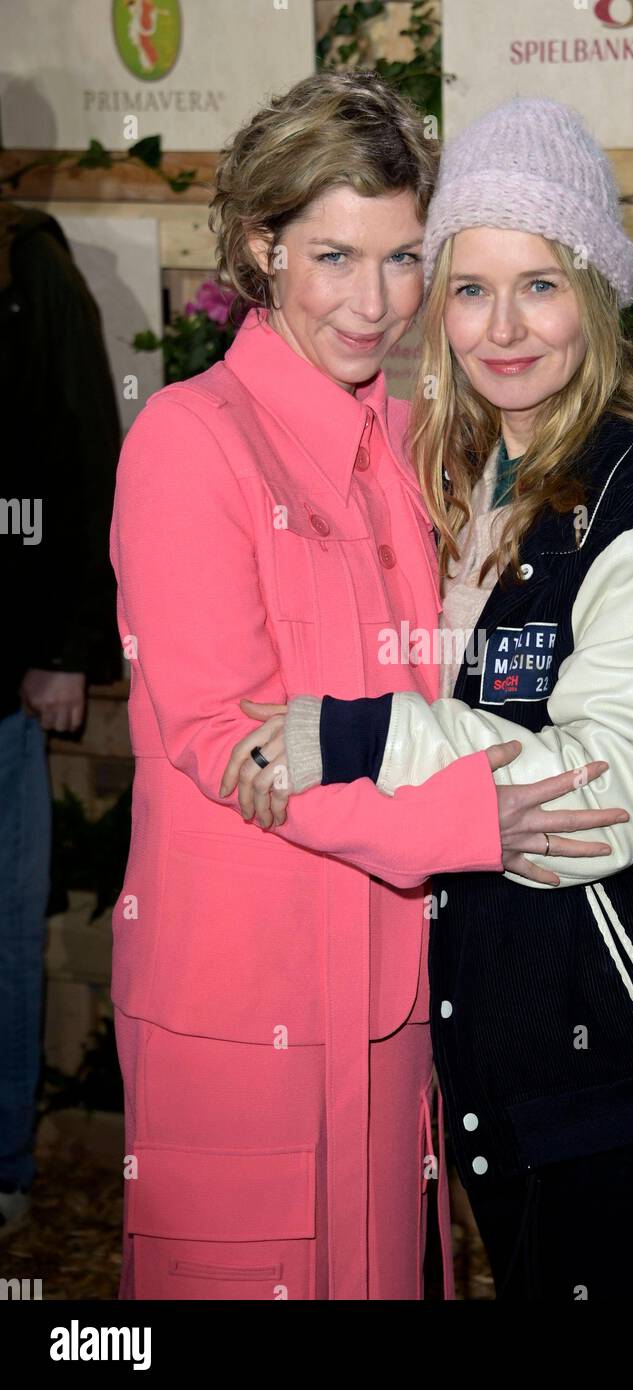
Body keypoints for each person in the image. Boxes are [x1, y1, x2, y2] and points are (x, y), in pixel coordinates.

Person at [223, 97, 633, 1300]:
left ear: (597, 286)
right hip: (516, 1038)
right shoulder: (479, 465)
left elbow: (603, 792)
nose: (502, 327)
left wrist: (356, 735)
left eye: (540, 284)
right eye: (469, 287)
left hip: (632, 1048)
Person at [108, 74, 625, 1301]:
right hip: (243, 1011)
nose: (375, 302)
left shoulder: (413, 439)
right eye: (335, 255)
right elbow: (232, 742)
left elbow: (511, 646)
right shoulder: (189, 440)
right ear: (259, 243)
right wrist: (466, 819)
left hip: (400, 1002)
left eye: (404, 260)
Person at [0, 203, 122, 1239]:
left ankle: (2, 1167)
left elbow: (84, 449)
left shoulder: (28, 263)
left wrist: (64, 643)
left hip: (0, 679)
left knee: (3, 929)